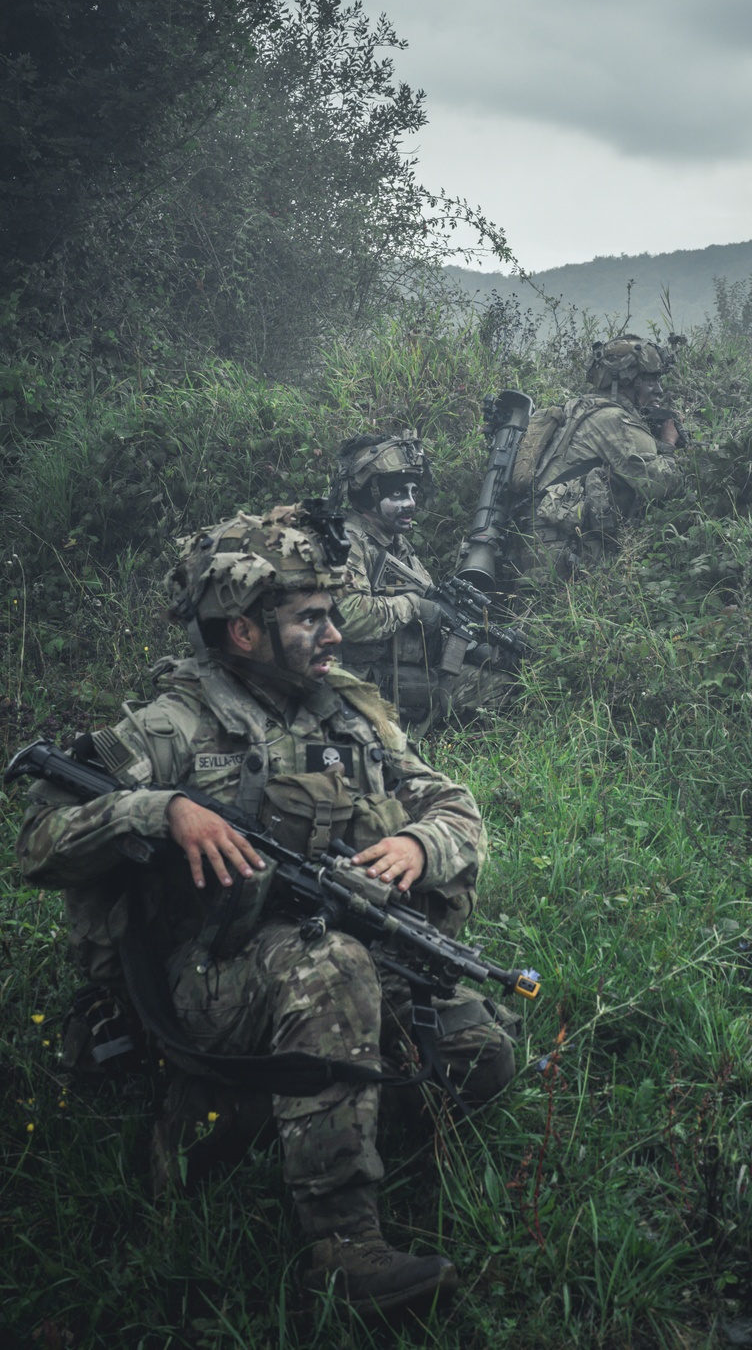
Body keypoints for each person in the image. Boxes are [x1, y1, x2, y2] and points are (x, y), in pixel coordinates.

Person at [14, 505, 515, 1316]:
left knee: (480, 1055)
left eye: (330, 614)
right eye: (309, 618)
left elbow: (454, 804)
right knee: (333, 973)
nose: (333, 635)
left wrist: (420, 846)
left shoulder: (344, 712)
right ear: (243, 632)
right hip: (210, 971)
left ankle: (270, 1110)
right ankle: (343, 1248)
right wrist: (158, 811)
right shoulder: (172, 727)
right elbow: (37, 840)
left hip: (337, 936)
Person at [335, 431, 513, 733]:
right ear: (370, 496)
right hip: (360, 688)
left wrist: (479, 647)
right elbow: (349, 615)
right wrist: (414, 606)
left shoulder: (398, 546)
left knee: (503, 685)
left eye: (414, 492)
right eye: (398, 494)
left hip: (406, 679)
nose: (410, 503)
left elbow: (434, 614)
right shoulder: (345, 542)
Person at [508, 335, 686, 583]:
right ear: (626, 382)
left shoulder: (581, 408)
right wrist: (668, 444)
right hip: (561, 550)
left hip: (540, 542)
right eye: (650, 381)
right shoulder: (614, 419)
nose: (659, 389)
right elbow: (657, 484)